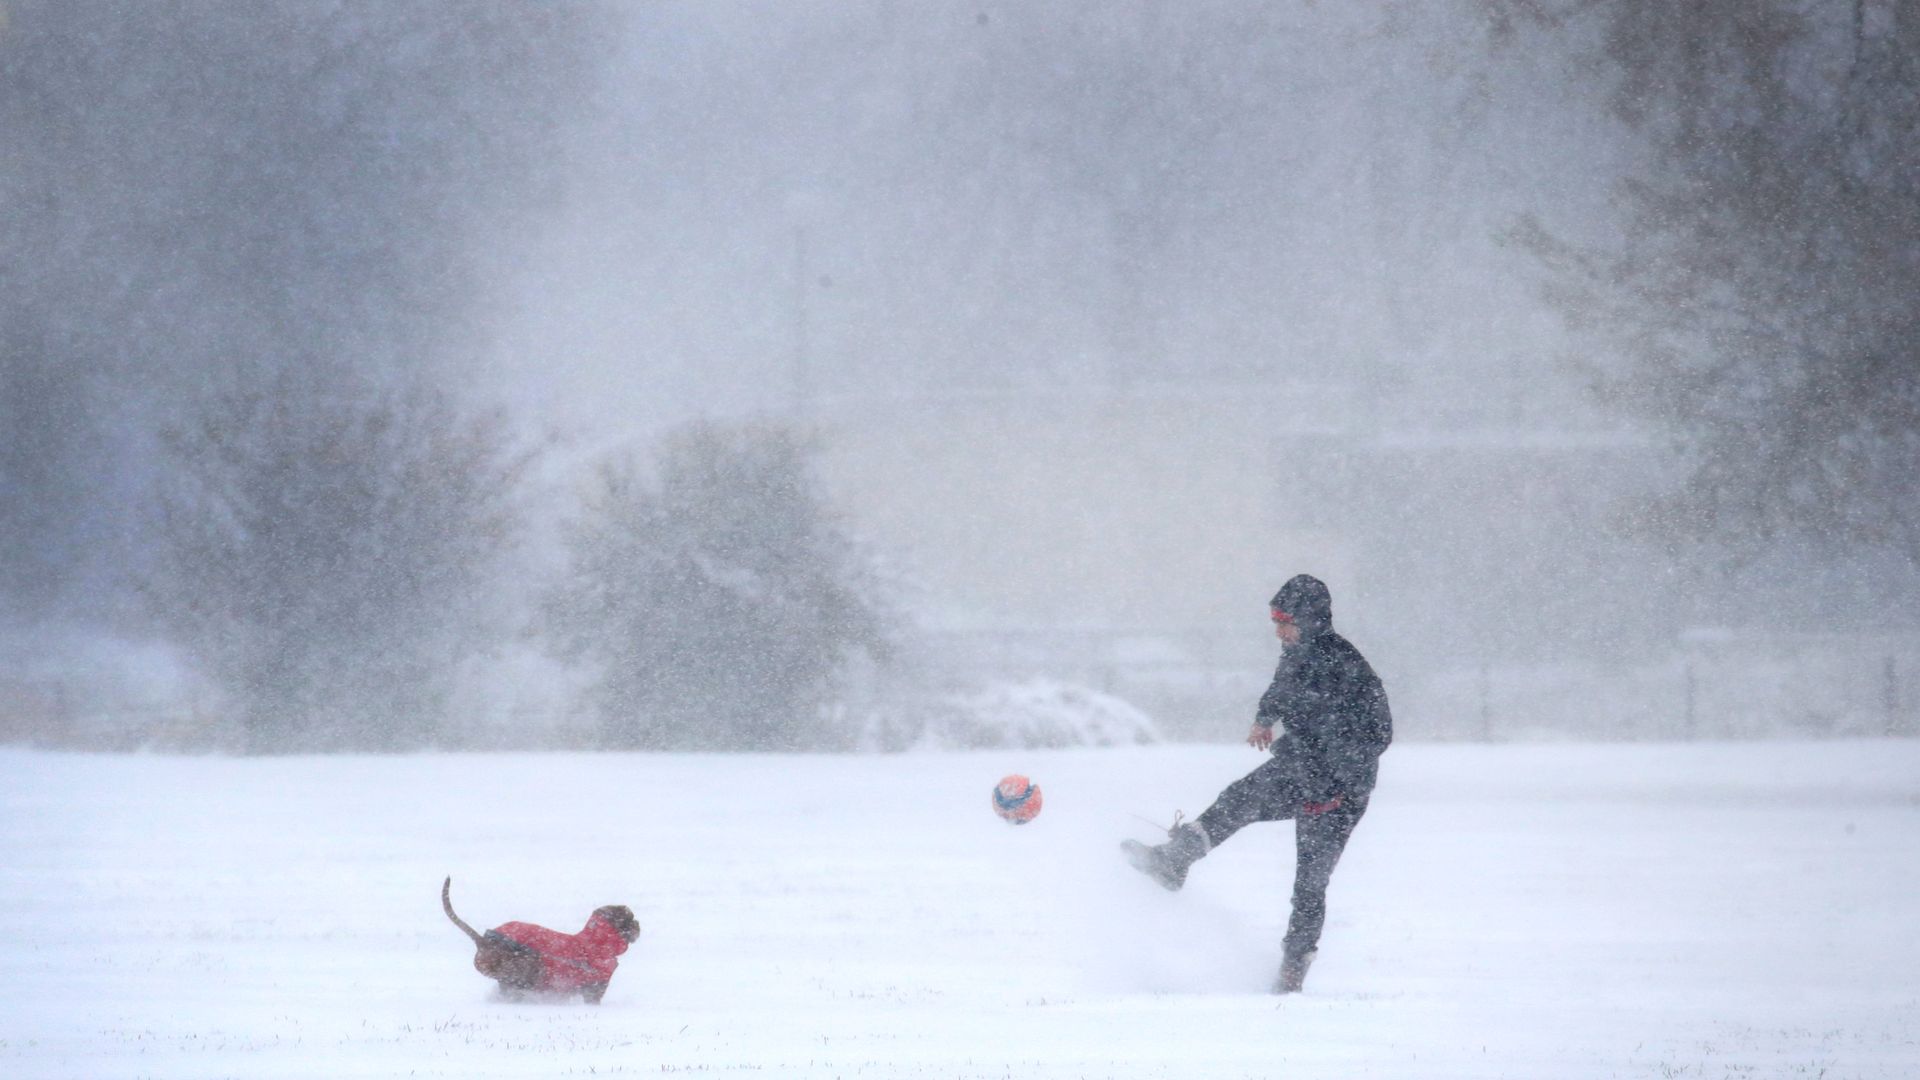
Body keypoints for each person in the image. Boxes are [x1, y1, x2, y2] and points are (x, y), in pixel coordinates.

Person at [1122, 573, 1392, 993]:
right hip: (1300, 767)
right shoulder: (1296, 652)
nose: (1279, 632)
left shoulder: (1346, 665)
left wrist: (1338, 786)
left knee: (1309, 882)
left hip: (1341, 792)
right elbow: (1282, 688)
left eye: (1286, 623)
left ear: (1312, 620)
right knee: (1238, 799)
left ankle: (1293, 968)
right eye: (1275, 623)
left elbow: (1378, 733)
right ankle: (1175, 861)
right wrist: (1265, 718)